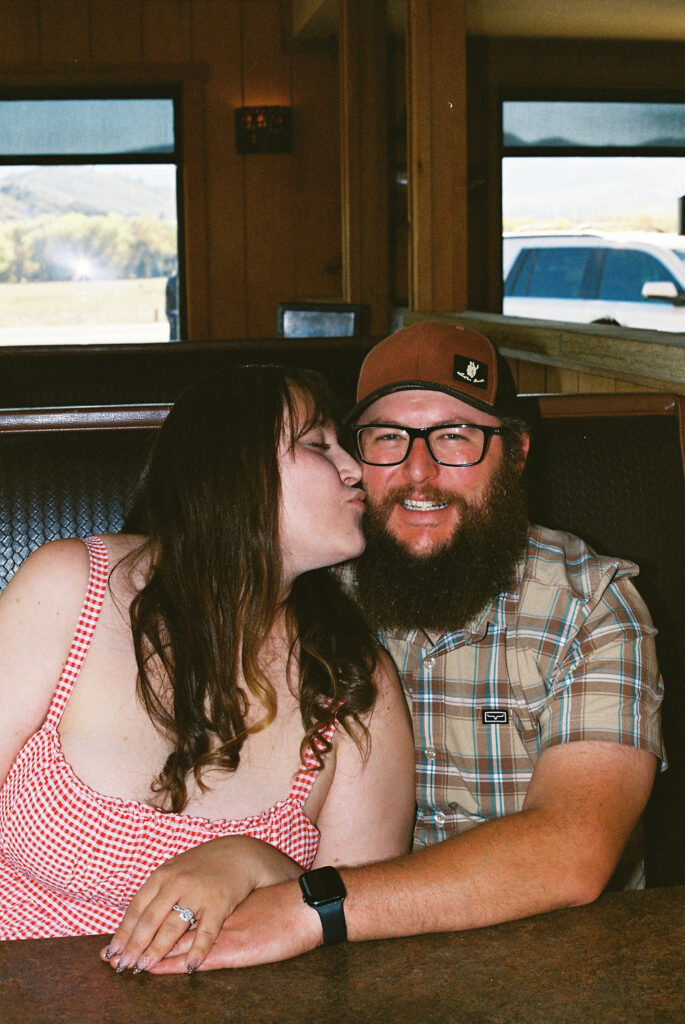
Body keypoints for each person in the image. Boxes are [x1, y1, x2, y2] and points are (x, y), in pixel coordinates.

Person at [146, 321, 664, 973]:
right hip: (341, 959)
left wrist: (313, 907)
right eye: (388, 439)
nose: (418, 475)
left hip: (552, 964)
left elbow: (573, 849)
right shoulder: (313, 581)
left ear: (517, 451)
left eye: (455, 437)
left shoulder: (588, 605)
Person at [0, 365, 415, 969]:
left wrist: (253, 863)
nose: (357, 470)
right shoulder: (73, 587)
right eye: (318, 445)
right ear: (232, 466)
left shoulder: (354, 680)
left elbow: (361, 928)